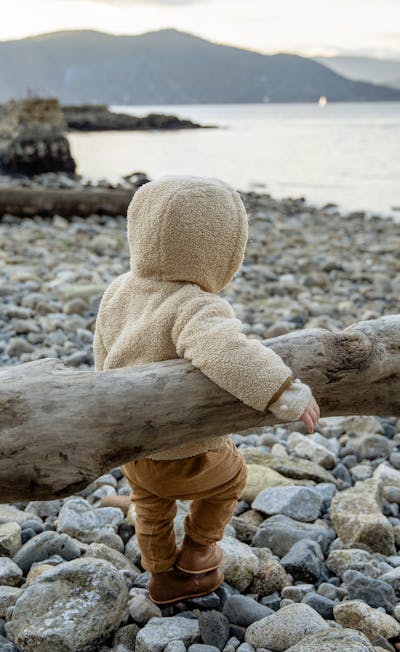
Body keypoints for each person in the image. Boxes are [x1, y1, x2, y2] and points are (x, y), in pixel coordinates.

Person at [95, 175, 319, 604]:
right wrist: (284, 390)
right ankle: (199, 550)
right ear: (220, 251)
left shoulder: (118, 292)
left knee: (151, 508)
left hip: (134, 452)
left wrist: (108, 423)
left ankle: (162, 578)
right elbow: (227, 351)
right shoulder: (194, 303)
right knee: (233, 474)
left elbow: (101, 357)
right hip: (188, 454)